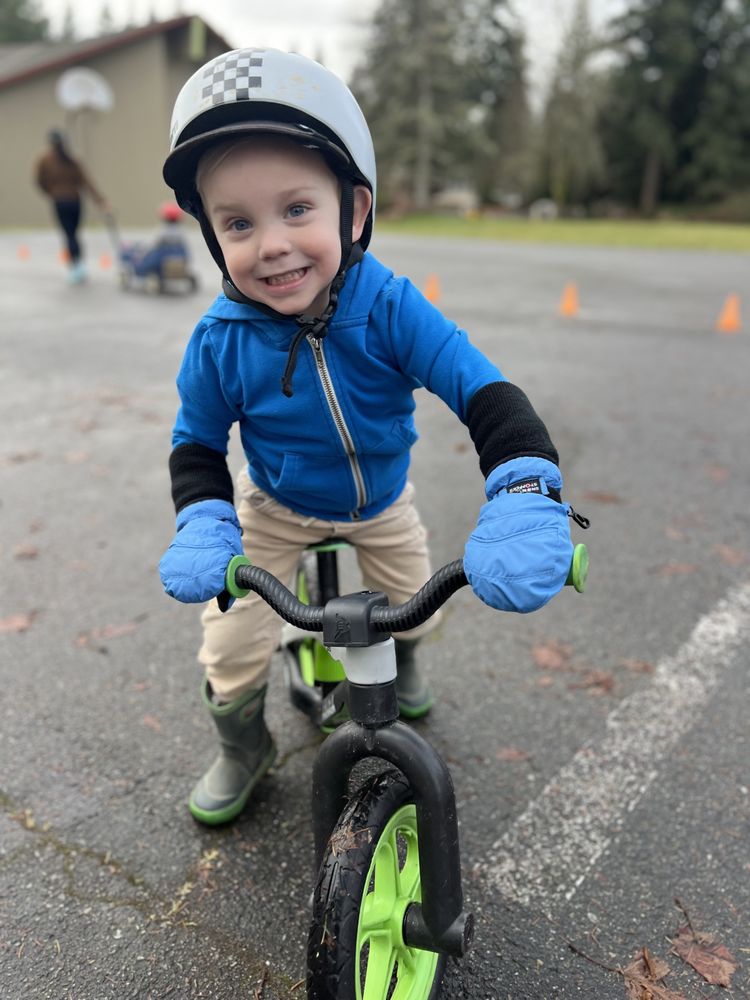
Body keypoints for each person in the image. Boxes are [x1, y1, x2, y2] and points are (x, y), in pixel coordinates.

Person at [158, 48, 581, 827]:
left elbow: (479, 385)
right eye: (239, 223)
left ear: (352, 211)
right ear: (214, 238)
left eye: (296, 210)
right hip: (275, 506)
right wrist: (204, 520)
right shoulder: (219, 341)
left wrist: (524, 481)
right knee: (231, 642)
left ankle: (408, 655)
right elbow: (195, 440)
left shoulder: (389, 305)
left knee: (419, 602)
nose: (273, 244)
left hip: (379, 500)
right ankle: (242, 744)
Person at [34, 128, 109, 284]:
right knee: (74, 234)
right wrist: (100, 201)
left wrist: (51, 191)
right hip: (75, 201)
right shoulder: (72, 159)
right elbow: (87, 182)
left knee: (69, 234)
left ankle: (75, 265)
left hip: (61, 202)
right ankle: (79, 264)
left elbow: (39, 180)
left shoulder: (45, 160)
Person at [119, 201, 190, 283]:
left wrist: (141, 248)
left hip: (158, 261)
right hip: (178, 259)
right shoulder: (181, 232)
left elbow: (152, 244)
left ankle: (137, 272)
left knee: (138, 254)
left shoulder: (162, 231)